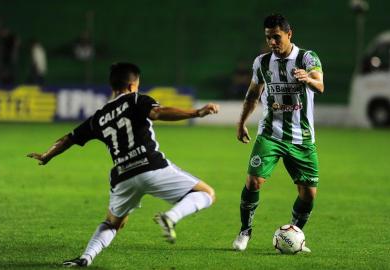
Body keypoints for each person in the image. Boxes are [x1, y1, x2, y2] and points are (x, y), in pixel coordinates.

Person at [27, 62, 219, 267]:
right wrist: (196, 113)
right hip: (151, 167)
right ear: (131, 86)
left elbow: (69, 138)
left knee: (113, 223)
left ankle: (86, 257)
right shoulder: (136, 99)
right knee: (207, 193)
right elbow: (159, 113)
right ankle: (171, 217)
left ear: (113, 86)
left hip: (123, 176)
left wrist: (47, 156)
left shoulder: (98, 117)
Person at [232, 14, 324, 252]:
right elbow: (253, 95)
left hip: (302, 138)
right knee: (253, 181)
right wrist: (242, 121)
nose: (272, 42)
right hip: (270, 134)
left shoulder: (307, 57)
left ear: (289, 34)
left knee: (309, 194)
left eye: (276, 37)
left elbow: (320, 85)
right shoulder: (262, 62)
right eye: (268, 37)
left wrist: (308, 80)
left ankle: (294, 234)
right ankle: (245, 231)